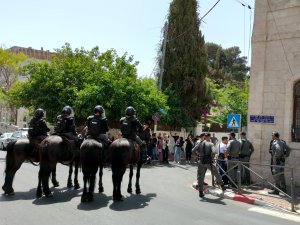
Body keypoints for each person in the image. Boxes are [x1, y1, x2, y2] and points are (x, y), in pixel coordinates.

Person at [192, 133, 226, 198]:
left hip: (201, 161)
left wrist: (196, 156)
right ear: (209, 137)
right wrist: (212, 158)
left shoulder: (200, 143)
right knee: (216, 173)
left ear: (205, 137)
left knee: (200, 177)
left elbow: (193, 150)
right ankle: (222, 186)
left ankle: (200, 192)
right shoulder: (211, 144)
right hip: (208, 162)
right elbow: (214, 151)